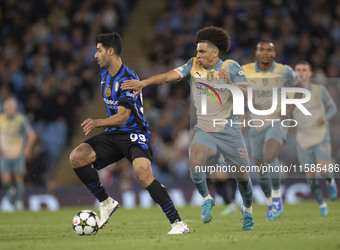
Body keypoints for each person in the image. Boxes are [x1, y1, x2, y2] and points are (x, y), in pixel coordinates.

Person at [122, 26, 254, 231]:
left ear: (215, 52)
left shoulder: (230, 66)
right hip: (204, 128)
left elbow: (245, 92)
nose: (197, 55)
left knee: (243, 178)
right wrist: (144, 82)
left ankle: (247, 213)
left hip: (229, 129)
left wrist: (229, 83)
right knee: (195, 161)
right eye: (197, 51)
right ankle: (207, 199)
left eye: (201, 51)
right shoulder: (193, 65)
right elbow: (167, 76)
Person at [69, 32, 189, 234]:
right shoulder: (105, 75)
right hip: (114, 134)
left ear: (110, 51)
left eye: (99, 51)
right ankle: (106, 202)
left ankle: (178, 223)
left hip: (134, 133)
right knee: (77, 157)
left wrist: (97, 121)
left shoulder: (128, 79)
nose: (96, 55)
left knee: (143, 173)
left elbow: (123, 117)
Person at [242, 40, 301, 221]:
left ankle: (276, 197)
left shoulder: (284, 71)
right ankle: (269, 203)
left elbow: (300, 86)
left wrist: (290, 108)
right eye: (261, 50)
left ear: (274, 54)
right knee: (260, 169)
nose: (265, 53)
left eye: (269, 50)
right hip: (256, 124)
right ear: (256, 53)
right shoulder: (245, 70)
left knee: (269, 156)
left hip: (278, 121)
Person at [292, 60, 338, 216]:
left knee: (324, 168)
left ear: (310, 73)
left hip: (320, 135)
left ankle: (331, 181)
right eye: (298, 70)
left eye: (304, 70)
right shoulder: (290, 94)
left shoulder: (320, 90)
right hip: (303, 139)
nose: (301, 73)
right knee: (310, 176)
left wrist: (326, 116)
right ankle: (322, 205)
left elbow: (332, 107)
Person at [0, 97, 36, 211]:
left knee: (18, 177)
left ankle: (19, 202)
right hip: (4, 154)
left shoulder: (21, 119)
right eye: (7, 106)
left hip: (17, 153)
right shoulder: (0, 119)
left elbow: (32, 135)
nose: (9, 108)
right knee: (5, 179)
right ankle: (11, 191)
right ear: (4, 107)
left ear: (15, 108)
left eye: (11, 106)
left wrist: (27, 148)